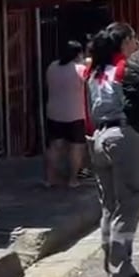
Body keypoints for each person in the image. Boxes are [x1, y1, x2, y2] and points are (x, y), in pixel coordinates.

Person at [83, 23, 139, 277]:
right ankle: (122, 270)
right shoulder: (125, 68)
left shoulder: (93, 71)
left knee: (109, 205)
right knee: (130, 203)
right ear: (124, 42)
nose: (137, 43)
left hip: (98, 137)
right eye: (134, 38)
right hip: (122, 135)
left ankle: (111, 262)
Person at [44, 40, 88, 188]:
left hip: (54, 112)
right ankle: (73, 179)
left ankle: (50, 178)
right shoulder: (80, 68)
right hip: (75, 113)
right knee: (76, 147)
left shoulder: (52, 67)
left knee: (55, 146)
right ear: (78, 54)